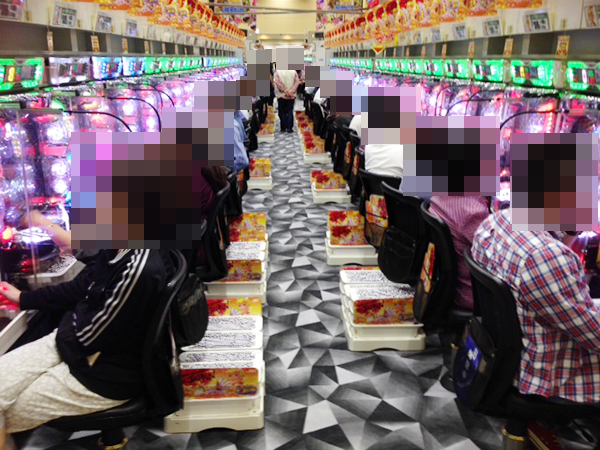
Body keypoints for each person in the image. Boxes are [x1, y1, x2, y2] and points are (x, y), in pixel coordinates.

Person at [0, 249, 175, 445]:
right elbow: (82, 290)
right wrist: (25, 298)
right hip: (75, 347)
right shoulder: (116, 248)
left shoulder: (139, 267)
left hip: (103, 375)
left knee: (4, 414)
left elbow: (92, 336)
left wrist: (72, 318)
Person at [472, 208, 600, 405]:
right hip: (550, 375)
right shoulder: (546, 256)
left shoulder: (498, 219)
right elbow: (595, 336)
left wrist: (571, 230)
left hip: (506, 354)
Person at [428, 196, 491, 311]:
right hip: (474, 295)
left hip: (453, 288)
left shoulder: (439, 194)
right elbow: (499, 259)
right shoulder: (473, 212)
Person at [273, 69, 300, 133]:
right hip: (291, 96)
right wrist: (292, 91)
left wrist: (284, 91)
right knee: (290, 110)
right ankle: (289, 128)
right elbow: (297, 82)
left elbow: (277, 83)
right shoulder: (294, 72)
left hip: (281, 95)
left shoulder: (278, 72)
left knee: (282, 111)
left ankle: (283, 127)